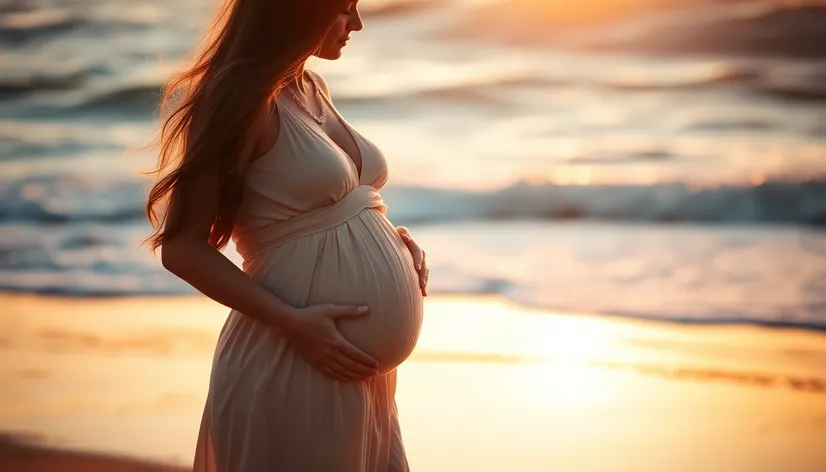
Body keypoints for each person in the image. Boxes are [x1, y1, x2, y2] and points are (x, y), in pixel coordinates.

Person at [144, 0, 430, 470]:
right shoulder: (238, 98)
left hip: (362, 376)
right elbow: (182, 248)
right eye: (345, 8)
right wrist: (296, 324)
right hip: (292, 358)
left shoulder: (312, 86)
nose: (357, 23)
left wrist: (394, 243)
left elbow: (327, 207)